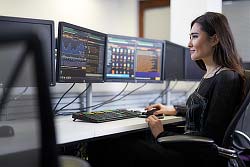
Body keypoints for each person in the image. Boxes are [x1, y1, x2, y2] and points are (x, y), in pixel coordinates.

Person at [87, 12, 246, 167]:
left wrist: (161, 134)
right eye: (190, 37)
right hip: (190, 150)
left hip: (194, 158)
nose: (189, 44)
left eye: (195, 36)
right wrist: (174, 109)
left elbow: (210, 138)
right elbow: (206, 111)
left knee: (105, 146)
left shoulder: (226, 78)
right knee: (117, 142)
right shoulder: (212, 74)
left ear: (215, 39)